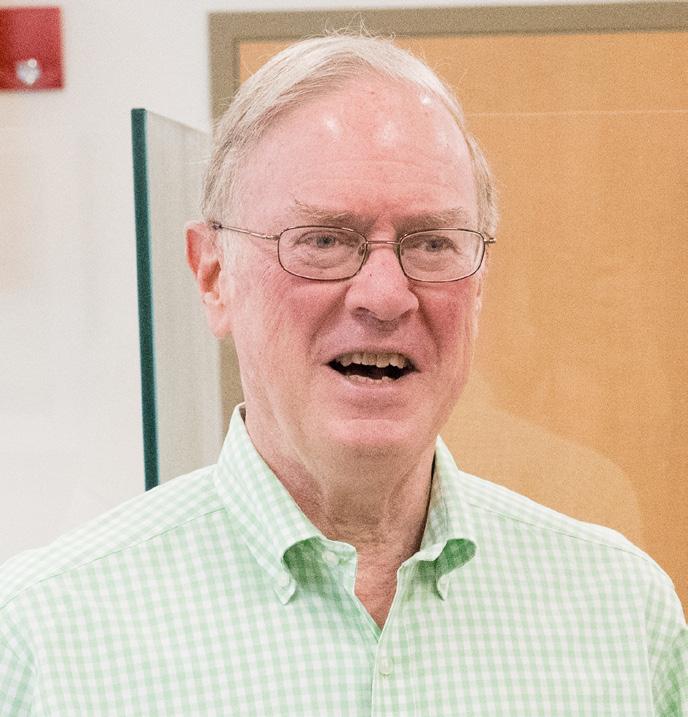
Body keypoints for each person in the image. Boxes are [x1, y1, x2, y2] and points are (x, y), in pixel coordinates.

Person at [1, 33, 686, 716]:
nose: (385, 296)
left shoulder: (623, 618)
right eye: (323, 240)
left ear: (478, 286)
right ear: (213, 276)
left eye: (433, 243)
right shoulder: (45, 642)